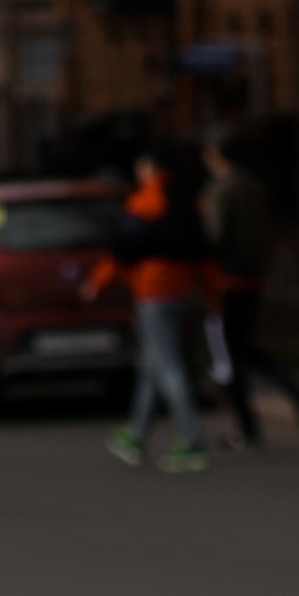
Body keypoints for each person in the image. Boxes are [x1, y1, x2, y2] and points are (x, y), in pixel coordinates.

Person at [94, 145, 211, 472]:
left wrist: (97, 283)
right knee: (151, 362)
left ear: (148, 167)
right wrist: (211, 291)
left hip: (152, 291)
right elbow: (205, 251)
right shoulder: (188, 200)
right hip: (182, 288)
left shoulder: (145, 201)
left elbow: (122, 250)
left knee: (168, 364)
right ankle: (136, 434)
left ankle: (191, 438)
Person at [200, 135, 299, 443]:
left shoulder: (220, 190)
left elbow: (215, 235)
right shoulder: (255, 187)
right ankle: (292, 388)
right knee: (241, 346)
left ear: (215, 155)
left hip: (225, 280)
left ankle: (247, 426)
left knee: (227, 355)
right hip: (254, 277)